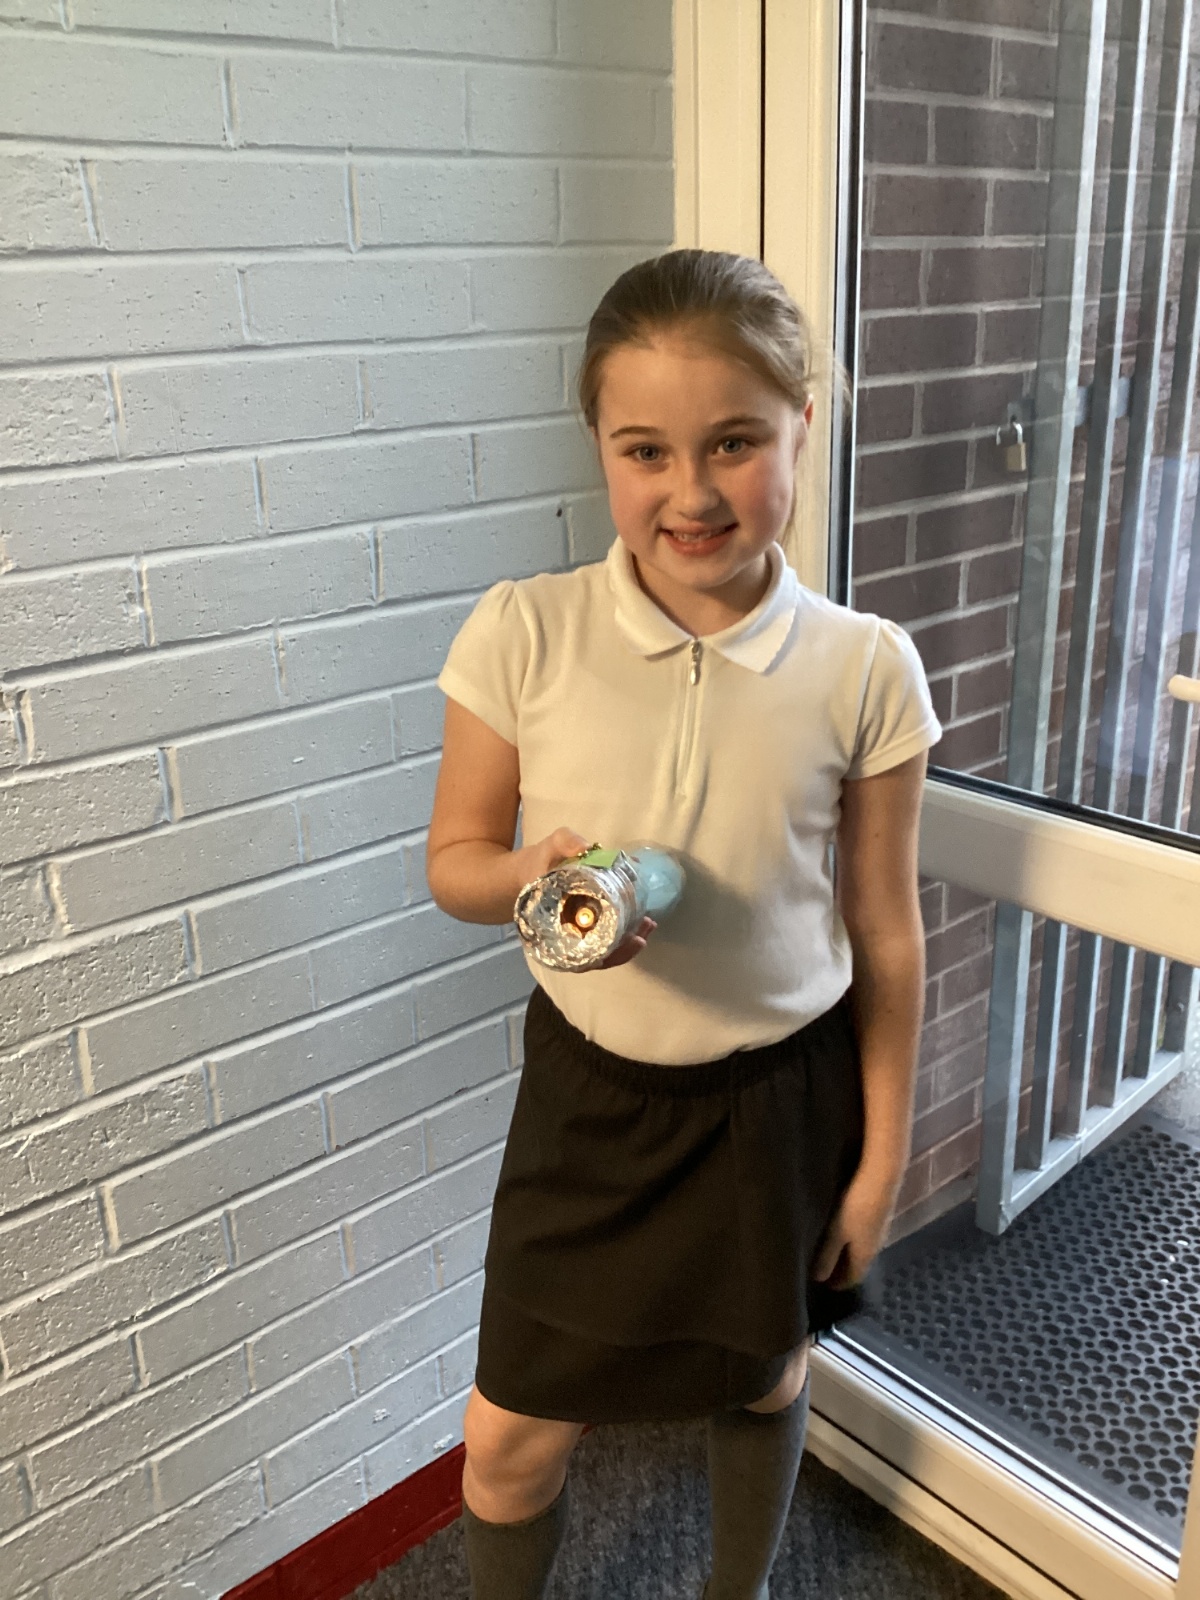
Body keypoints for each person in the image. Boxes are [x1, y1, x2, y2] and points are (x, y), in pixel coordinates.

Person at [426, 249, 941, 1600]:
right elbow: (454, 866)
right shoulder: (523, 633)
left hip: (779, 1102)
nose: (692, 492)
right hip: (590, 1107)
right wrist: (532, 876)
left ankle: (738, 1591)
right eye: (645, 449)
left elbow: (886, 932)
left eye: (735, 442)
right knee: (507, 1443)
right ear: (599, 445)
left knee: (764, 1376)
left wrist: (881, 1159)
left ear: (802, 430)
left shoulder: (866, 667)